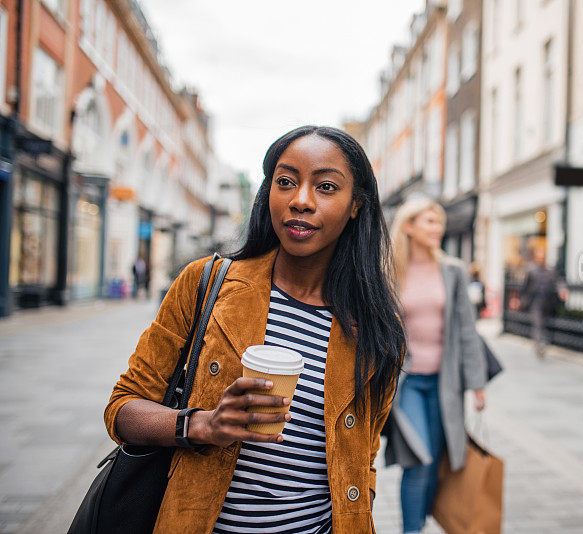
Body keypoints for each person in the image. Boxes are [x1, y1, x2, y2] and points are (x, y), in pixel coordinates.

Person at [104, 126, 405, 533]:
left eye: (327, 187)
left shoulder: (376, 329)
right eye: (285, 182)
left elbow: (361, 458)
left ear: (356, 206)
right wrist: (204, 425)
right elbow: (122, 408)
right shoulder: (206, 284)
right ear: (268, 194)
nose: (300, 201)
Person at [384, 197, 487, 534]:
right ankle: (411, 530)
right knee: (419, 458)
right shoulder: (389, 270)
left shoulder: (453, 270)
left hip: (445, 383)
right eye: (429, 221)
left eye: (439, 222)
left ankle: (422, 520)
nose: (437, 228)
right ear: (409, 226)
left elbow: (467, 329)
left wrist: (477, 384)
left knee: (437, 461)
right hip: (406, 383)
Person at [519, 246, 568, 359]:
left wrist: (562, 290)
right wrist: (522, 300)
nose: (541, 259)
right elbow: (525, 287)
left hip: (548, 302)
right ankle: (539, 344)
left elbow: (558, 282)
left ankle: (543, 342)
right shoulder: (531, 271)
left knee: (544, 324)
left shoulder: (550, 271)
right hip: (535, 302)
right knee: (538, 324)